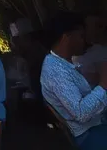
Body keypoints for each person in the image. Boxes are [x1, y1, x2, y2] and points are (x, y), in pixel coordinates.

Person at [42, 11, 107, 149]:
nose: (85, 41)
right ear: (67, 37)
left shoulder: (62, 63)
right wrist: (103, 84)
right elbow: (81, 113)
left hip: (96, 124)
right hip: (88, 134)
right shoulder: (55, 71)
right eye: (81, 36)